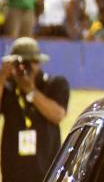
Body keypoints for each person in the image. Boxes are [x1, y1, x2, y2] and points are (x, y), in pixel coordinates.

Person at [0, 38, 69, 182]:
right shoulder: (7, 87)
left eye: (29, 63)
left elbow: (58, 115)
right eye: (19, 64)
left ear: (38, 63)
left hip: (46, 169)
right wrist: (2, 77)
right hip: (13, 171)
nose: (23, 68)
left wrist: (31, 90)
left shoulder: (54, 84)